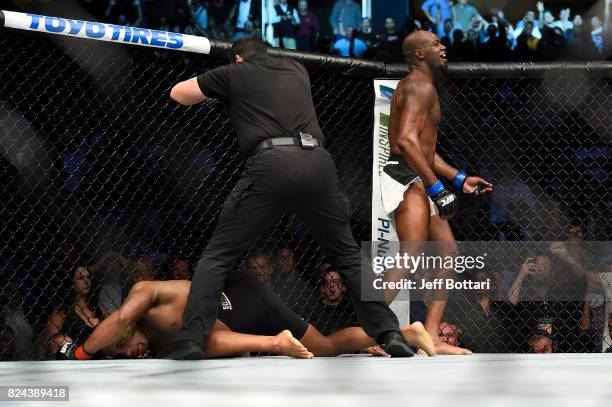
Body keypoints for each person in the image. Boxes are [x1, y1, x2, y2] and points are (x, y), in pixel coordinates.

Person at [164, 37, 414, 359]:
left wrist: (221, 83)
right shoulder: (296, 70)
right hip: (318, 163)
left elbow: (179, 94)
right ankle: (389, 332)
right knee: (347, 254)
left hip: (272, 163)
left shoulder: (234, 73)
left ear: (238, 59)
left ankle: (190, 340)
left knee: (218, 256)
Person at [381, 30, 493, 354]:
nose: (443, 48)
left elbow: (425, 150)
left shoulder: (424, 86)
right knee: (411, 253)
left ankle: (429, 337)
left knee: (449, 255)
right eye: (435, 44)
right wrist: (435, 186)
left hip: (419, 174)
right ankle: (374, 331)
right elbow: (404, 141)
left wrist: (459, 179)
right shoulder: (418, 85)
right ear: (419, 54)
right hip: (406, 177)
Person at [56, 273, 435, 359]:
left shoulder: (144, 294)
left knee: (198, 337)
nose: (128, 352)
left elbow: (120, 318)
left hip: (234, 299)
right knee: (323, 346)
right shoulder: (152, 343)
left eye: (122, 346)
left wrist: (80, 353)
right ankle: (402, 333)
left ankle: (276, 342)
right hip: (241, 310)